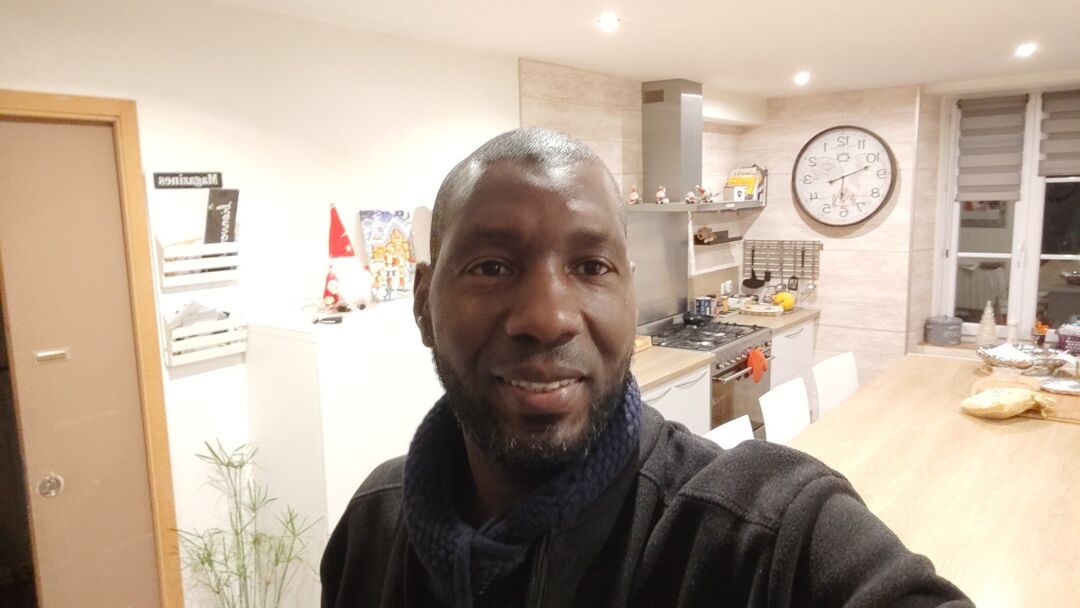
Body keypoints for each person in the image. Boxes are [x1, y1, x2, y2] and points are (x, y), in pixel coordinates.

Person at [320, 128, 972, 607]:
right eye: (491, 266)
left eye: (591, 266)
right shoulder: (372, 528)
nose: (548, 317)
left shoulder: (760, 536)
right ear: (423, 303)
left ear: (629, 295)